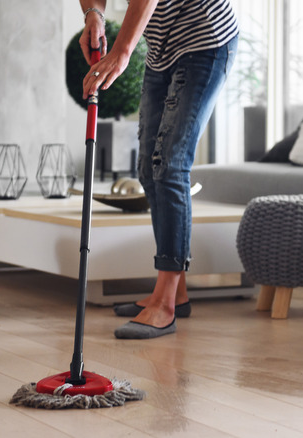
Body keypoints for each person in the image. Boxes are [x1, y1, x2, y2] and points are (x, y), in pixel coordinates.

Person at [79, 0, 238, 339]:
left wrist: (122, 52)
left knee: (169, 164)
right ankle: (176, 295)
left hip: (205, 40)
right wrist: (94, 13)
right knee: (148, 170)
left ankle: (165, 303)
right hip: (161, 51)